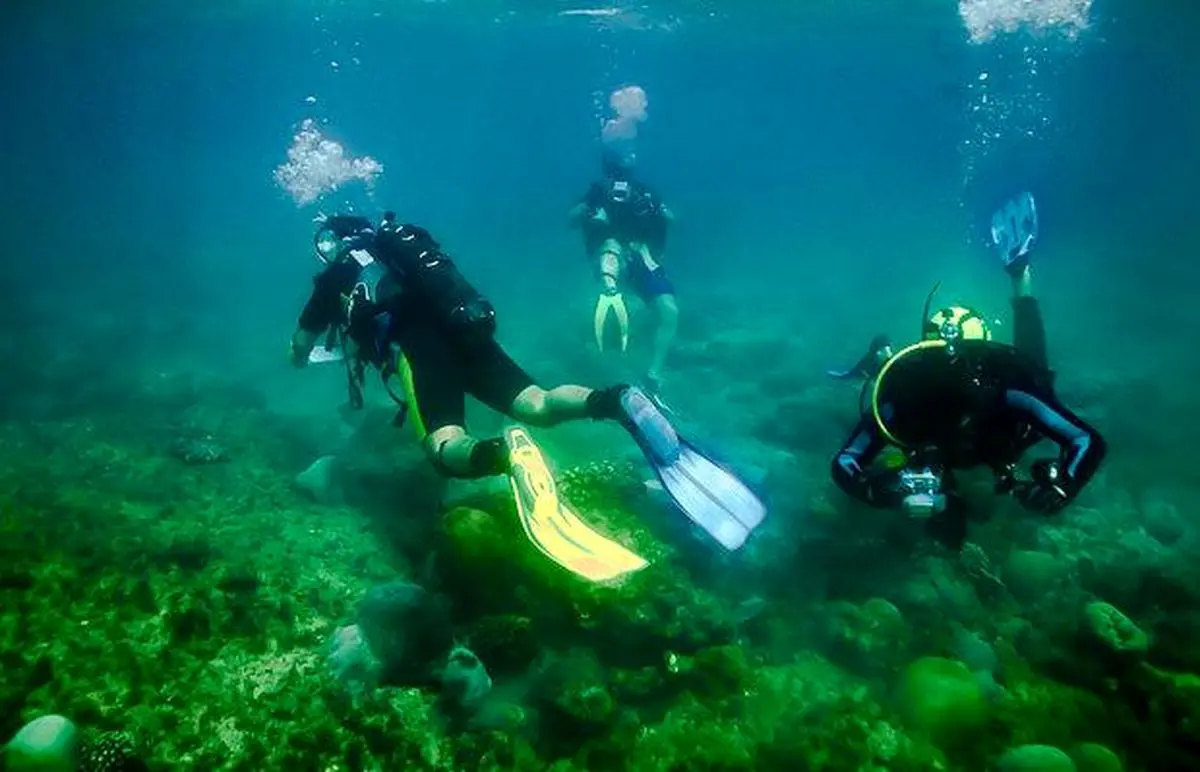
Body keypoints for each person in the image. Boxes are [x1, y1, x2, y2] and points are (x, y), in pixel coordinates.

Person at [288, 211, 764, 579]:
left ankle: (507, 456)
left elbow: (301, 346)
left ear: (332, 244)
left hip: (418, 351)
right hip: (468, 332)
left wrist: (301, 351)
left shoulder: (337, 276)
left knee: (443, 447)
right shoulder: (405, 253)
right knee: (537, 401)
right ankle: (618, 400)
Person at [828, 195, 1106, 549]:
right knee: (1032, 366)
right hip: (959, 442)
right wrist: (876, 490)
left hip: (998, 434)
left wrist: (1065, 484)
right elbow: (846, 462)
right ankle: (1018, 278)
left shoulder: (1005, 384)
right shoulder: (906, 392)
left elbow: (1087, 441)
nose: (948, 381)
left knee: (1034, 367)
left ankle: (1021, 277)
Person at [568, 150, 678, 390]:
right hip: (612, 259)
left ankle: (654, 373)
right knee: (610, 249)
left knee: (670, 312)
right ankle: (610, 294)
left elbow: (671, 217)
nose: (620, 186)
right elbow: (571, 218)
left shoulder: (644, 192)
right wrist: (589, 209)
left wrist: (653, 207)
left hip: (643, 258)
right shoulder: (597, 192)